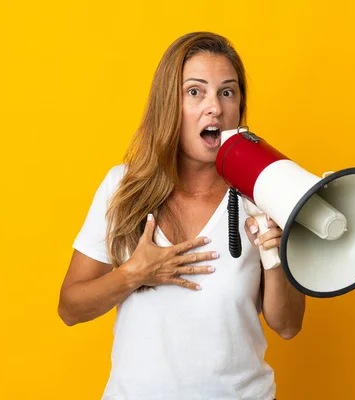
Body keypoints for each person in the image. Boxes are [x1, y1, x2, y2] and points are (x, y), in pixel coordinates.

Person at [58, 31, 306, 400]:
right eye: (195, 92)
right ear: (168, 104)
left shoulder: (265, 192)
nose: (215, 108)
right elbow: (70, 308)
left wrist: (275, 257)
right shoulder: (122, 188)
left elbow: (287, 326)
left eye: (227, 92)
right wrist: (133, 274)